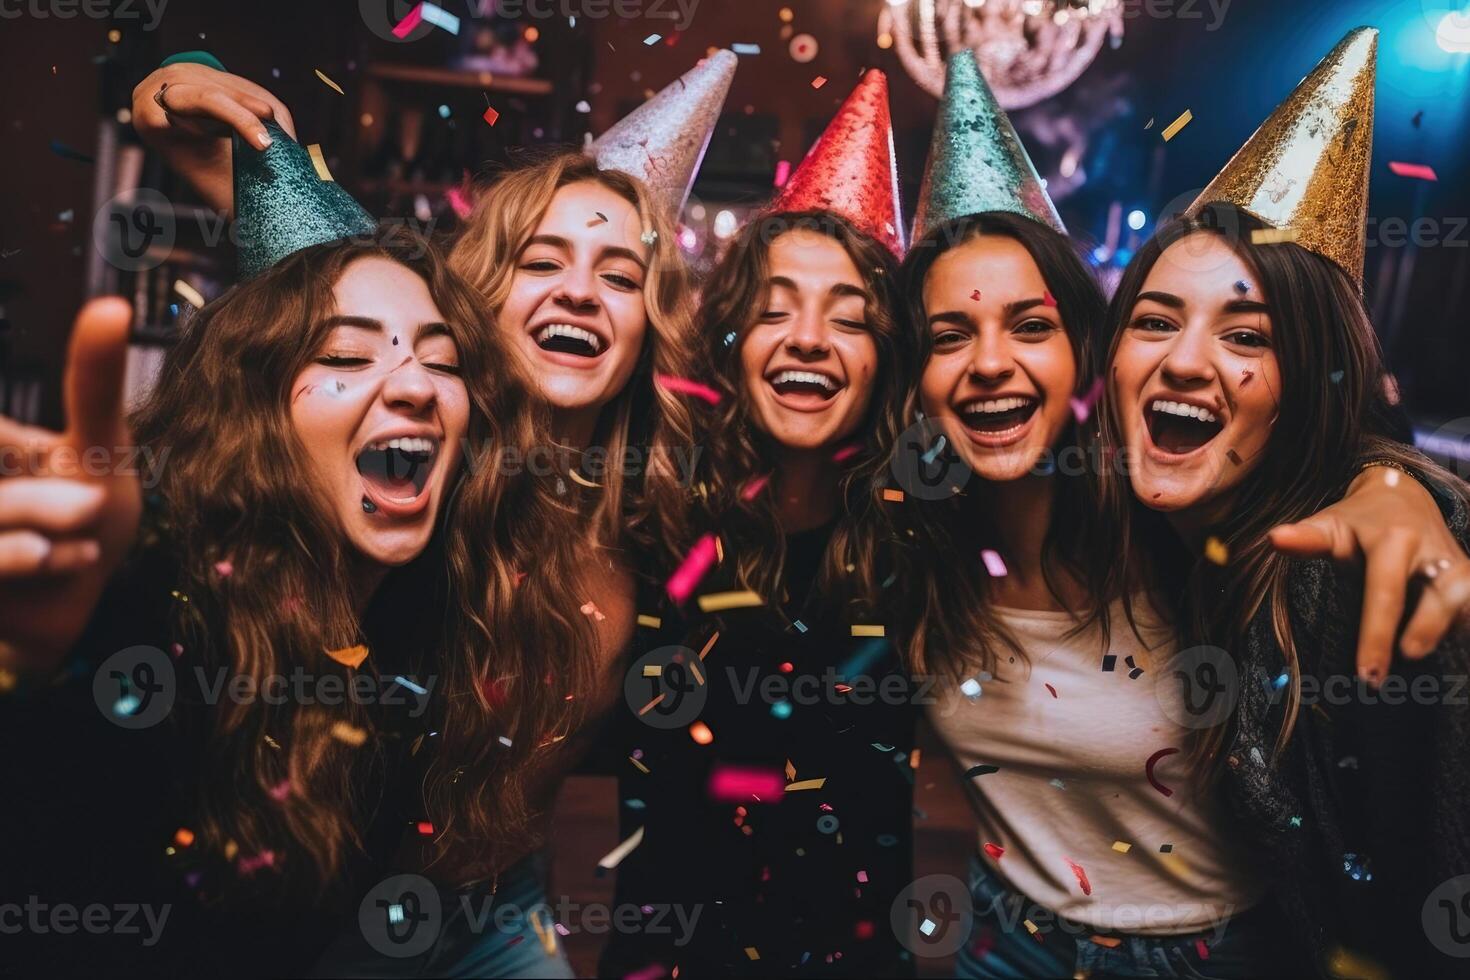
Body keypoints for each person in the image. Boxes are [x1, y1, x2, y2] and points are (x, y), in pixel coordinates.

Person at [890, 42, 1470, 979]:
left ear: (1085, 355)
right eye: (949, 335)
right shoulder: (904, 543)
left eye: (1031, 326)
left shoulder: (1180, 534)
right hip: (1002, 940)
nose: (990, 362)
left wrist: (1406, 487)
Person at [0, 134, 594, 976]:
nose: (417, 385)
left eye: (442, 358)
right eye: (347, 356)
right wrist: (44, 667)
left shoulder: (426, 633)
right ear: (253, 412)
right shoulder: (161, 601)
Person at [1098, 27, 1470, 977]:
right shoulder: (1134, 529)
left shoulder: (1358, 583)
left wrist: (1415, 489)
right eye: (1154, 320)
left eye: (1246, 334)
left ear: (1307, 385)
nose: (1185, 359)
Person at [600, 71, 920, 978]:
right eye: (775, 309)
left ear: (885, 358)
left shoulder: (927, 544)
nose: (809, 338)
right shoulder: (649, 514)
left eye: (849, 319)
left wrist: (1366, 468)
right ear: (730, 339)